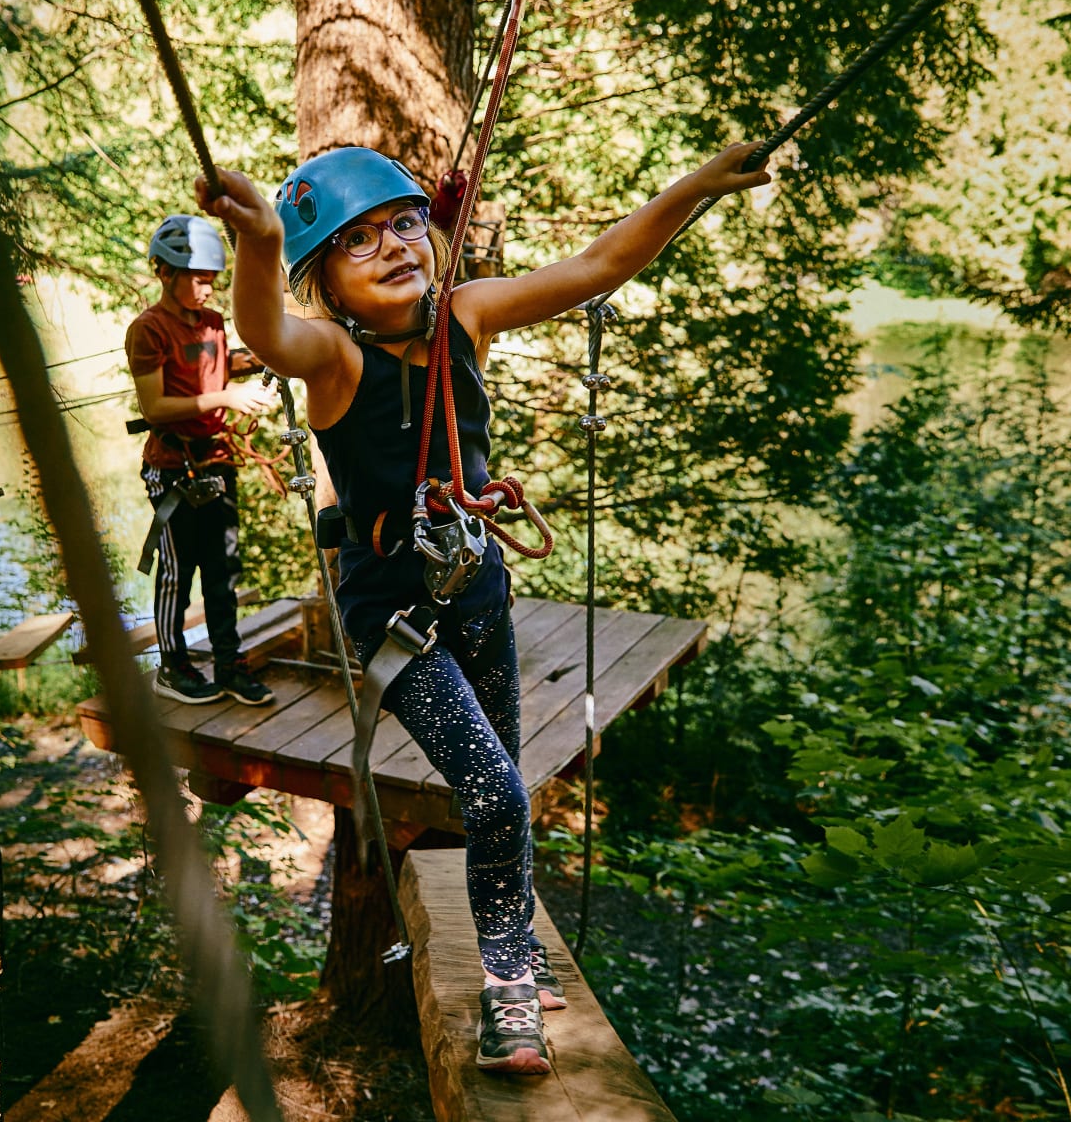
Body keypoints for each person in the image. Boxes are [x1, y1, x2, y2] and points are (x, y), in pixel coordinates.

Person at [195, 143, 771, 1073]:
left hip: (477, 592)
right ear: (326, 284)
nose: (395, 246)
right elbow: (267, 335)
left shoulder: (467, 314)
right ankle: (509, 992)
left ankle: (514, 947)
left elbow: (598, 266)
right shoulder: (335, 357)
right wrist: (259, 241)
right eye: (358, 241)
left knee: (499, 789)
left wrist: (698, 183)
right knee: (496, 790)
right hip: (396, 617)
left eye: (405, 223)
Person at [126, 214, 279, 707]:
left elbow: (215, 370)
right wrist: (228, 398)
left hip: (216, 460)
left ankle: (230, 663)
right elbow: (155, 407)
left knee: (223, 569)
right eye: (196, 279)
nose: (207, 288)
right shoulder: (148, 330)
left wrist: (261, 370)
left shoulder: (213, 323)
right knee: (177, 571)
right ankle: (172, 667)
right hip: (173, 467)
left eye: (211, 279)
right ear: (164, 272)